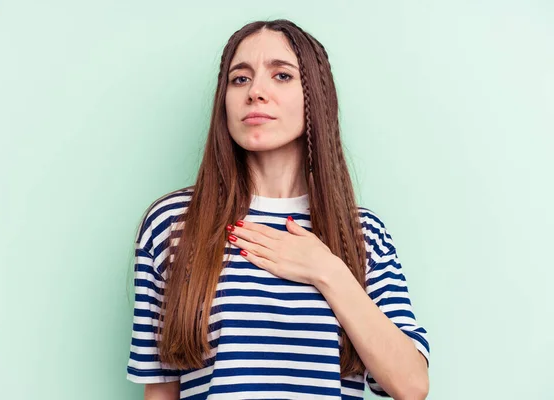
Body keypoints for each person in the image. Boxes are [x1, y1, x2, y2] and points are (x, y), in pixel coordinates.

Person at [126, 19, 430, 400]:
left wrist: (327, 271)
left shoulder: (363, 234)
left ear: (314, 95)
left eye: (281, 75)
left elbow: (411, 385)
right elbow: (161, 390)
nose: (256, 92)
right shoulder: (171, 225)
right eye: (240, 79)